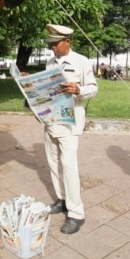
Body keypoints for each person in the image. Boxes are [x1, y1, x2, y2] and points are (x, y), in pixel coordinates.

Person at [43, 24, 98, 234]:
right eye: (51, 44)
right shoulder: (50, 62)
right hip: (51, 120)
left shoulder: (81, 61)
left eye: (56, 43)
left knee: (69, 166)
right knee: (53, 162)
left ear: (67, 41)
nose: (53, 48)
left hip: (70, 122)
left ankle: (76, 214)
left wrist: (79, 89)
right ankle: (63, 199)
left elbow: (93, 88)